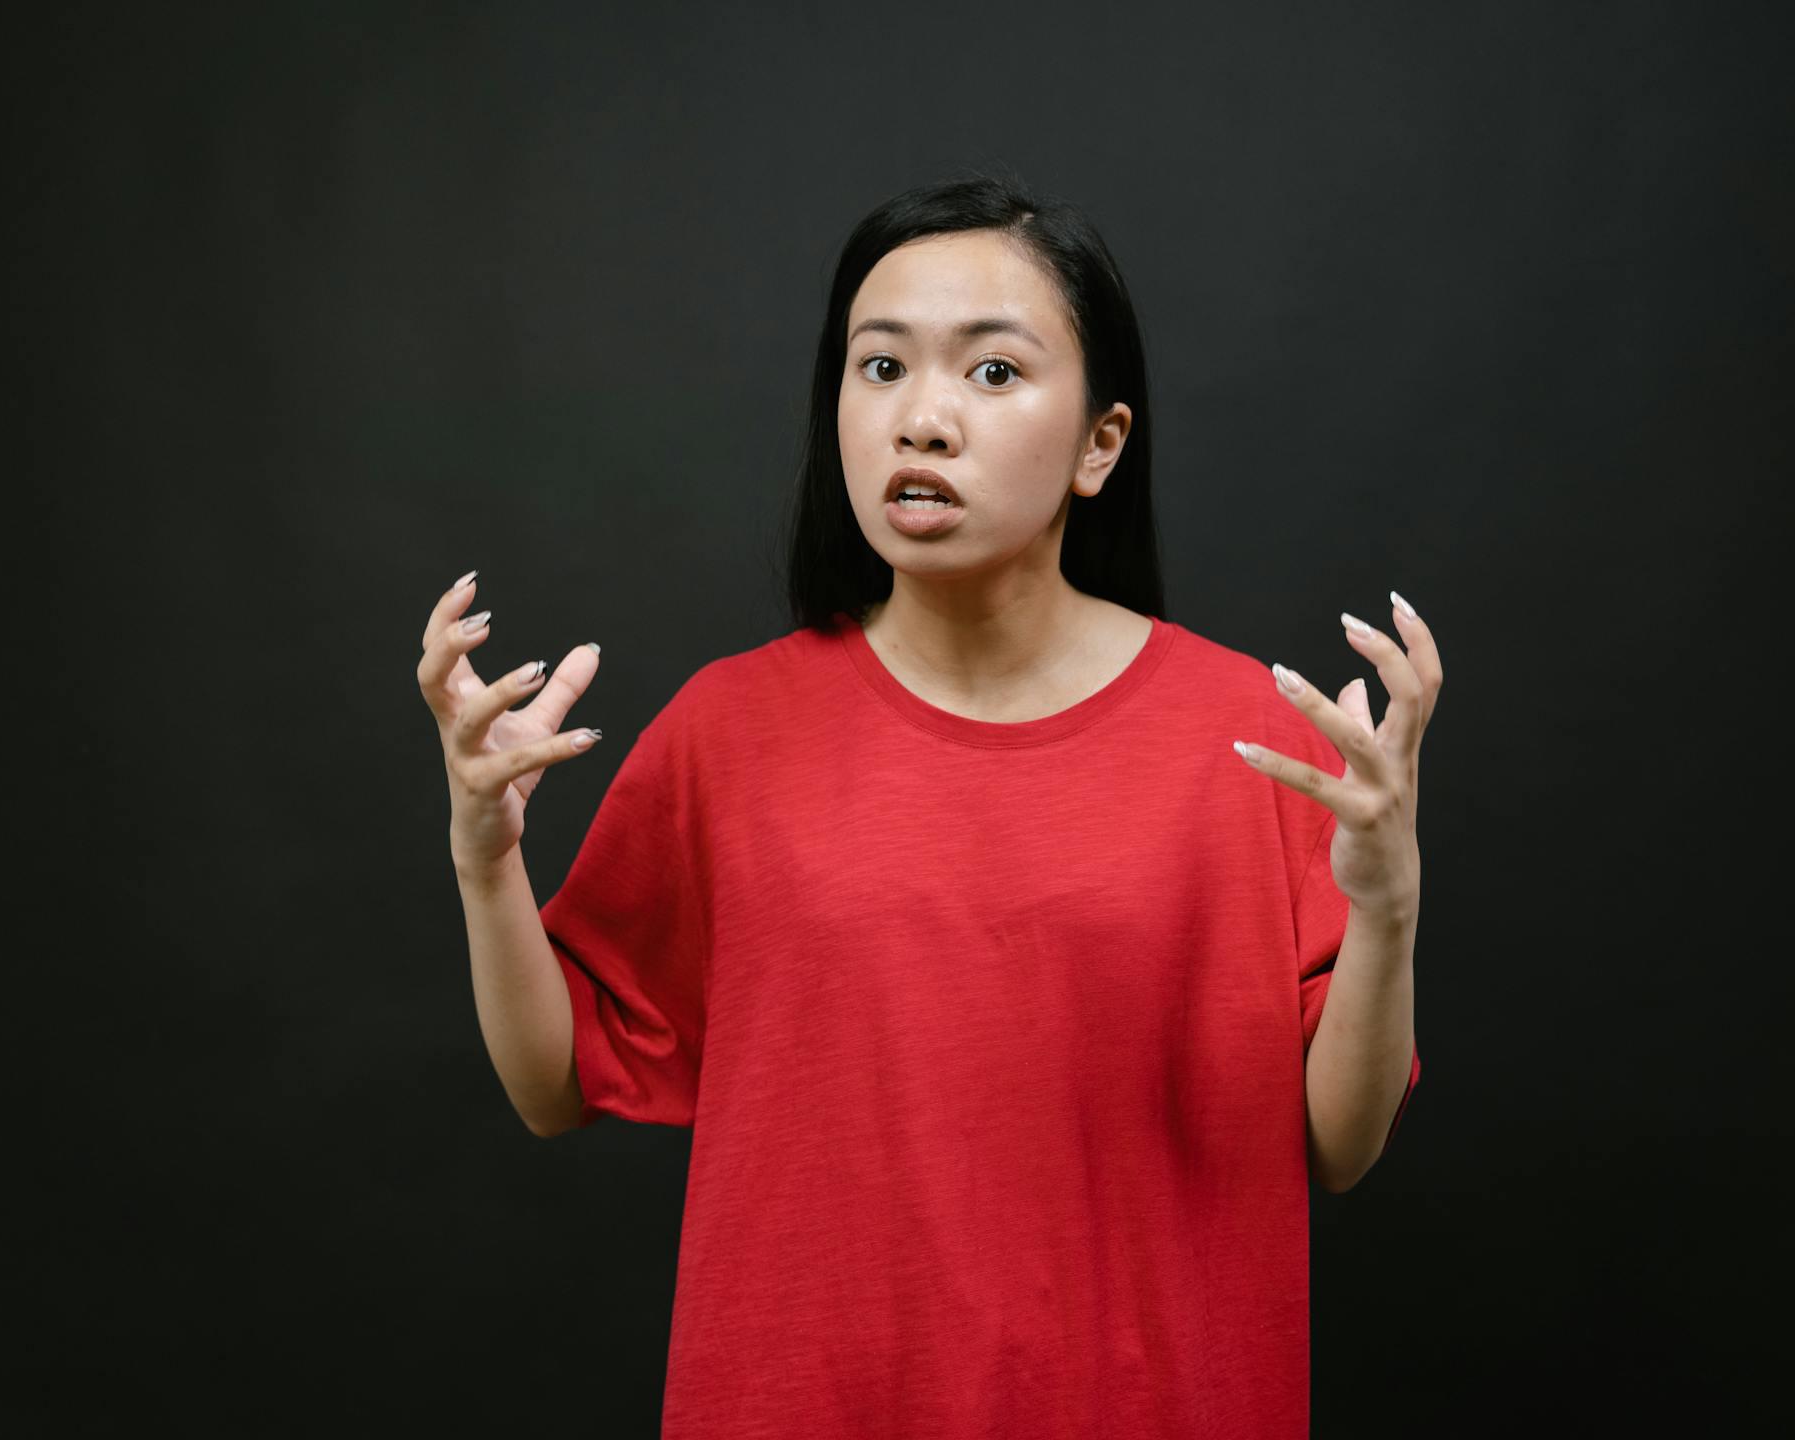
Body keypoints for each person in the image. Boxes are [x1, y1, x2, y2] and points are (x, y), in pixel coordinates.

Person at [414, 172, 1443, 1440]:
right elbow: (553, 1081)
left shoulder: (1255, 740)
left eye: (994, 374)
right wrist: (485, 858)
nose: (923, 420)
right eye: (880, 367)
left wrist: (1387, 906)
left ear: (1101, 444)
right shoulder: (733, 731)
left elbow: (1337, 1146)